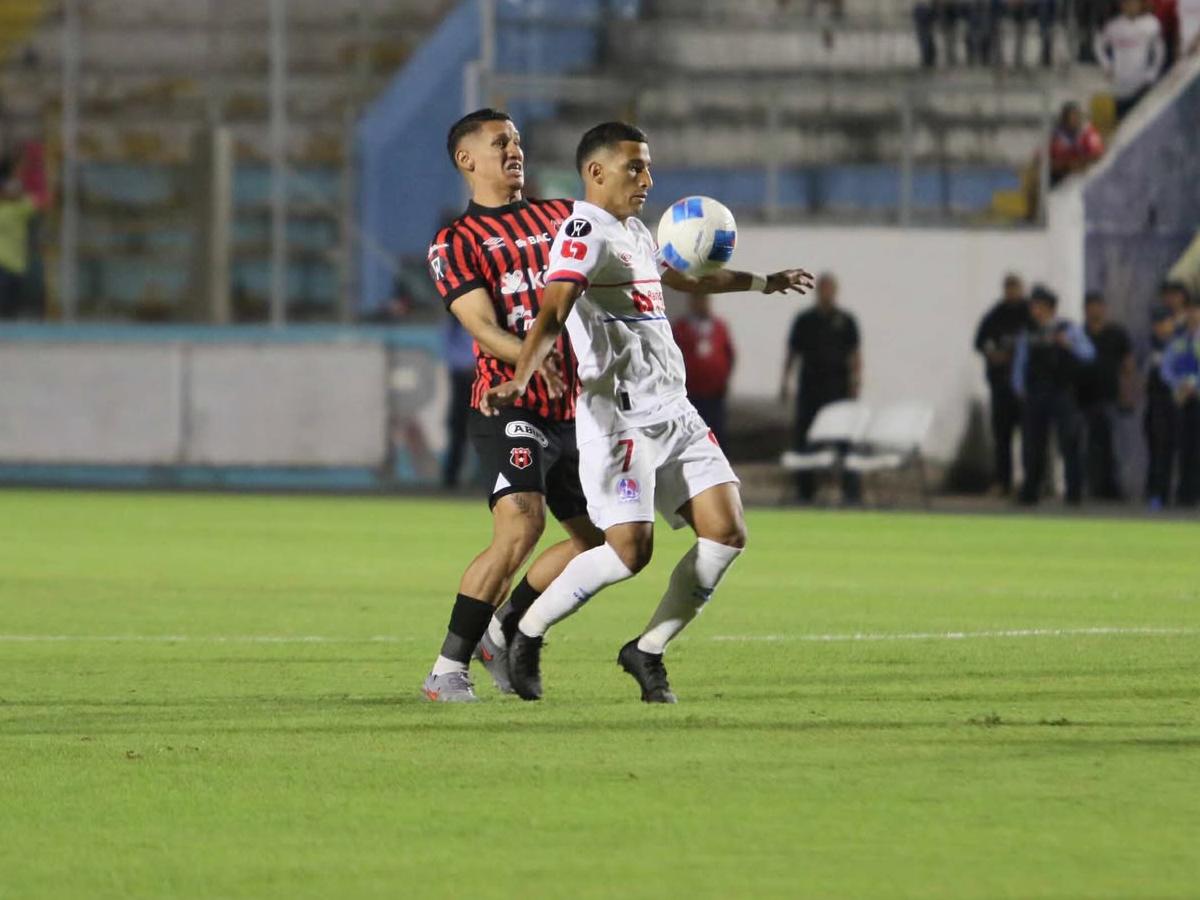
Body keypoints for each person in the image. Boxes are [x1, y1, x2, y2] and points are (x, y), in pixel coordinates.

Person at [483, 121, 813, 703]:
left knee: (727, 533)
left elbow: (685, 278)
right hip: (619, 418)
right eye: (635, 167)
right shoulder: (583, 232)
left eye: (648, 167)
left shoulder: (632, 231)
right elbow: (555, 309)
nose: (647, 179)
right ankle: (522, 629)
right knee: (628, 552)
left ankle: (648, 649)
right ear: (596, 171)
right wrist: (522, 377)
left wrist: (765, 281)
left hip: (674, 410)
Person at [420, 108, 605, 703]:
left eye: (519, 141)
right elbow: (479, 324)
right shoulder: (455, 241)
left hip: (578, 410)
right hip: (508, 404)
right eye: (501, 142)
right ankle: (447, 669)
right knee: (523, 522)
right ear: (466, 160)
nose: (515, 150)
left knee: (602, 542)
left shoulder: (562, 218)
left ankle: (503, 627)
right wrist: (531, 358)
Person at [781, 272, 863, 504]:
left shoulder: (846, 321)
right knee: (805, 438)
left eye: (830, 289)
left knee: (844, 440)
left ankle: (851, 490)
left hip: (838, 388)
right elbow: (792, 353)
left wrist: (857, 381)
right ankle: (805, 490)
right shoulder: (805, 320)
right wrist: (785, 381)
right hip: (810, 388)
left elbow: (855, 353)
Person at [1012, 285, 1096, 505]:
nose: (1034, 311)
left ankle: (1074, 492)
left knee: (1069, 441)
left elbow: (1088, 354)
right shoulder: (1028, 332)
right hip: (1036, 393)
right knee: (1032, 444)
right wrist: (1019, 388)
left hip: (1062, 391)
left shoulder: (1068, 329)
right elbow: (1020, 363)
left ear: (1049, 308)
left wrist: (1068, 345)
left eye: (1038, 306)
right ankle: (1031, 491)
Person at [973, 273, 1032, 495]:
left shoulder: (1030, 314)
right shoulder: (995, 315)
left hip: (1026, 389)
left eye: (1015, 287)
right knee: (1002, 437)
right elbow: (979, 343)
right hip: (1000, 386)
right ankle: (1003, 481)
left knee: (1030, 437)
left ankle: (1030, 482)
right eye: (1009, 288)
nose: (1012, 292)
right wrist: (993, 354)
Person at [1077, 291, 1134, 500]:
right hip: (1083, 400)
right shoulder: (1080, 334)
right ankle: (1093, 488)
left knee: (1113, 445)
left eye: (1098, 305)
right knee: (1089, 447)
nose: (1094, 310)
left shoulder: (1116, 333)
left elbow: (1128, 366)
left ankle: (1113, 489)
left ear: (1104, 308)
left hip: (1110, 397)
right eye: (1090, 306)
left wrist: (1127, 392)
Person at [671, 293, 736, 447]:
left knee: (716, 430)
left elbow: (729, 354)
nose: (701, 304)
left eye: (704, 300)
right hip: (690, 392)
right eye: (697, 300)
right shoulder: (681, 328)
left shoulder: (719, 326)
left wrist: (725, 378)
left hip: (714, 393)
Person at [1095, 0, 1166, 120]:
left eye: (1134, 3)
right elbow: (1098, 45)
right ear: (1121, 5)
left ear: (1140, 4)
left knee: (1141, 124)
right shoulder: (1113, 26)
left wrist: (1152, 74)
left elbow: (1159, 51)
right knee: (1122, 123)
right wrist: (1106, 65)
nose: (1131, 6)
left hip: (1141, 87)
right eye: (1127, 3)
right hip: (1120, 87)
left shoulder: (1151, 23)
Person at [1159, 295, 1200, 506]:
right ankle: (1184, 495)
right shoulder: (1179, 340)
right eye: (1191, 310)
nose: (1194, 315)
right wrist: (1179, 385)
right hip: (1182, 401)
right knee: (1184, 447)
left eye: (1197, 310)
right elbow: (1166, 368)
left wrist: (1195, 385)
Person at [1144, 305, 1179, 509]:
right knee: (1155, 448)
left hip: (1174, 401)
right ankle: (1155, 493)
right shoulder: (1150, 345)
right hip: (1154, 401)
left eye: (1164, 322)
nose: (1160, 327)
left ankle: (1168, 492)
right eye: (1157, 323)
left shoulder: (1180, 344)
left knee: (1170, 449)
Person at [440, 315, 477, 488]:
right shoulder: (453, 324)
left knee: (489, 429)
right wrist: (469, 365)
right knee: (458, 429)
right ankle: (450, 477)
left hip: (480, 378)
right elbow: (449, 353)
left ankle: (488, 477)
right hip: (463, 379)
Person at [0, 157, 38, 319]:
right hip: (3, 263)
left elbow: (36, 202)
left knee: (12, 306)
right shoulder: (8, 210)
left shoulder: (20, 208)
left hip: (17, 264)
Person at [1049, 102, 1106, 186]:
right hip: (1062, 178)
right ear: (1064, 119)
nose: (1075, 119)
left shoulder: (1088, 132)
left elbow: (1098, 154)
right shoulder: (1057, 136)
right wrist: (1067, 165)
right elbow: (1050, 162)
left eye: (1076, 116)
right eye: (1071, 117)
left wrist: (1082, 161)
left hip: (1086, 175)